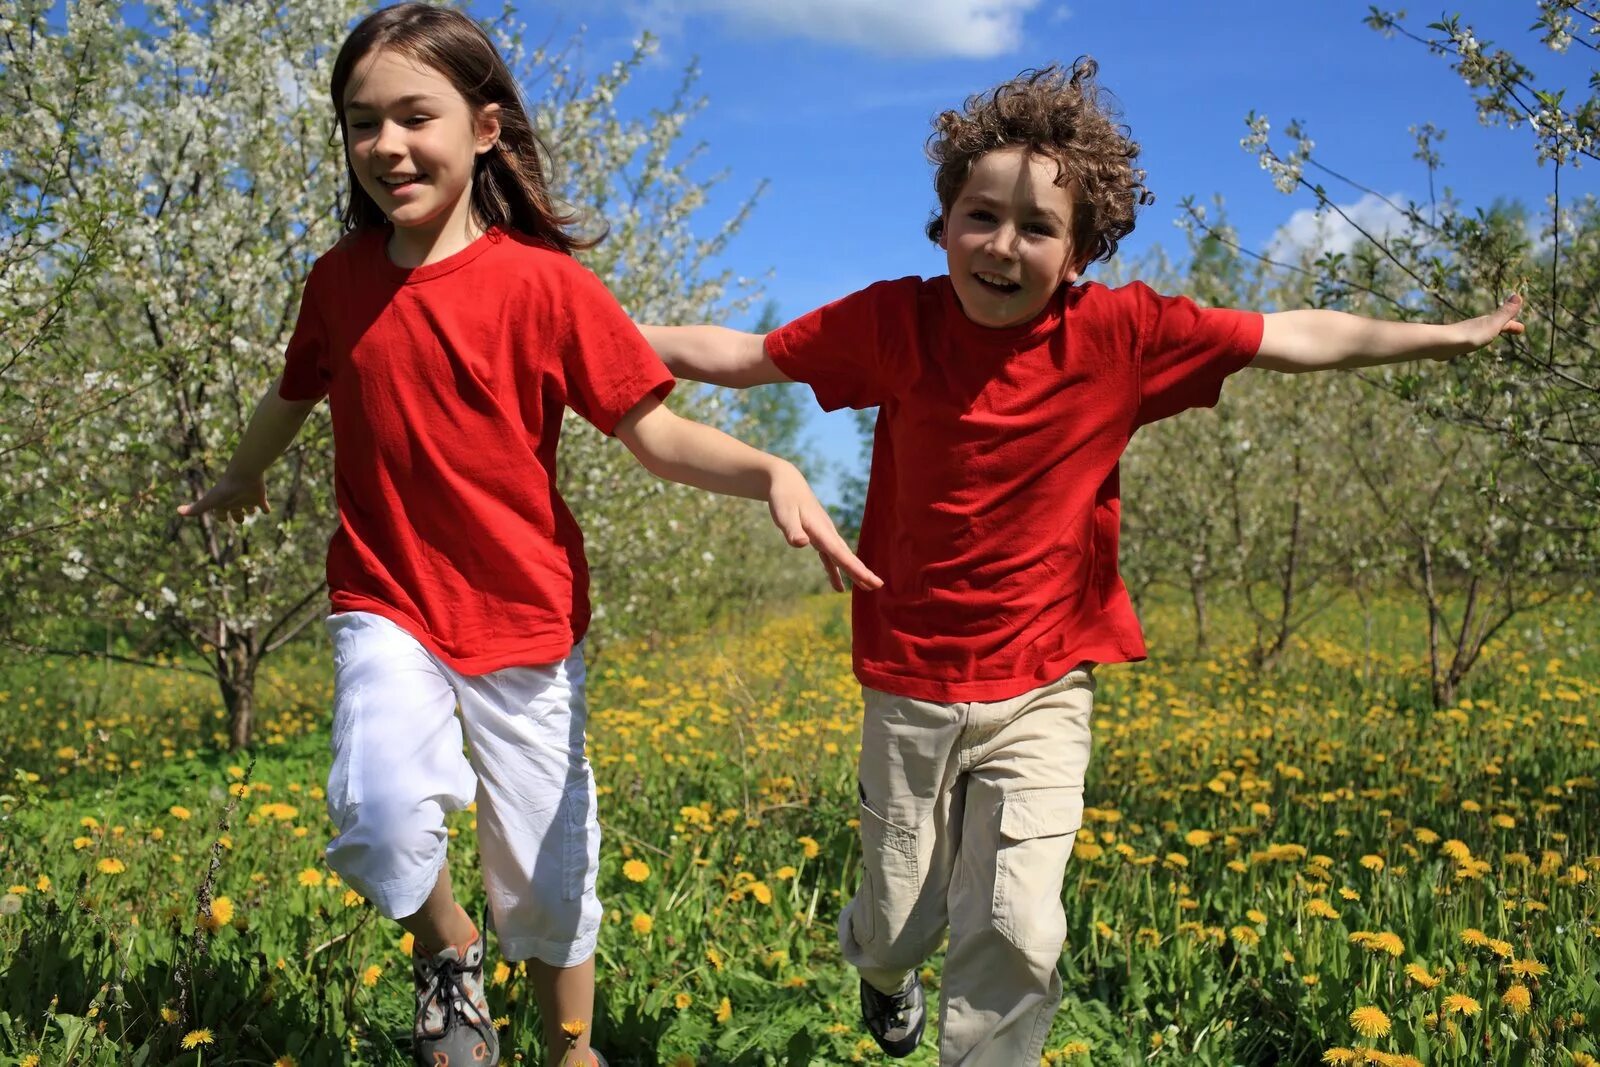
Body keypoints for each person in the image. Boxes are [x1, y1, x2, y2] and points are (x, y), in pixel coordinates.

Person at [639, 60, 1523, 1066]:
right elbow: (746, 353)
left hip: (1046, 680)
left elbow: (1294, 336)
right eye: (980, 215)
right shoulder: (894, 324)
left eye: (1036, 226)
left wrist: (1448, 333)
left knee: (1019, 923)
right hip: (910, 678)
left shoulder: (1125, 335)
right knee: (896, 915)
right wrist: (590, 333)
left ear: (1081, 251)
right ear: (945, 223)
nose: (1001, 245)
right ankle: (883, 975)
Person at [177, 5, 879, 1066]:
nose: (386, 146)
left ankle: (569, 1046)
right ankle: (449, 952)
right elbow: (293, 392)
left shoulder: (547, 286)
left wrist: (772, 468)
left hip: (524, 612)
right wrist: (241, 471)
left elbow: (657, 434)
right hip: (386, 595)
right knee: (374, 813)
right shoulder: (339, 281)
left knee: (547, 872)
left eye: (415, 115)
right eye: (361, 122)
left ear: (487, 127)